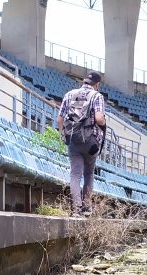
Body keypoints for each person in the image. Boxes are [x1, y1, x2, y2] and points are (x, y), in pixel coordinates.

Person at [57, 72, 107, 217]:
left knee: (75, 174)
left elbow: (60, 120)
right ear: (97, 85)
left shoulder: (69, 94)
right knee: (89, 173)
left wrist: (63, 134)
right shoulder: (97, 96)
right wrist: (104, 122)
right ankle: (86, 208)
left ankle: (76, 209)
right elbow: (98, 118)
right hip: (90, 141)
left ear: (84, 82)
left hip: (73, 139)